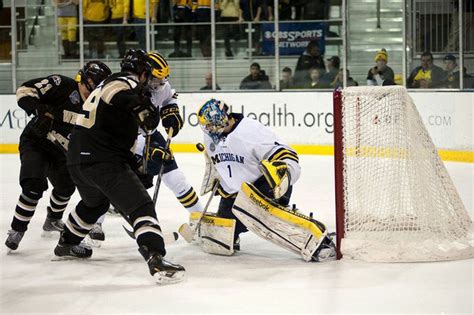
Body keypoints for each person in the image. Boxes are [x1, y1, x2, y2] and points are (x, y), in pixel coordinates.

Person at [56, 49, 185, 284]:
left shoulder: (115, 83)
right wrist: (139, 107)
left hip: (78, 158)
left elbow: (159, 102)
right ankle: (155, 257)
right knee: (141, 205)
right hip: (102, 159)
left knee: (94, 204)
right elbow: (117, 93)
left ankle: (66, 242)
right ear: (142, 73)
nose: (155, 83)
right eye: (151, 76)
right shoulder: (124, 81)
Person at [195, 99, 335, 261]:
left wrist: (284, 173)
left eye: (211, 125)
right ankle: (239, 228)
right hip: (236, 194)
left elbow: (286, 154)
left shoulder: (250, 130)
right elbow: (216, 161)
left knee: (265, 219)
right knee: (221, 239)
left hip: (265, 186)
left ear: (221, 118)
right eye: (206, 126)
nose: (208, 129)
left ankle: (318, 241)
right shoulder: (212, 136)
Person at [4, 61, 112, 251]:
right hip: (36, 143)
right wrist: (39, 111)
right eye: (91, 88)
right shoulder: (60, 84)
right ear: (84, 80)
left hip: (63, 152)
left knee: (66, 187)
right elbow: (25, 91)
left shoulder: (97, 107)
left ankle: (53, 219)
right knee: (33, 186)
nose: (92, 95)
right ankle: (16, 230)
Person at [135, 51, 204, 214]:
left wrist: (170, 111)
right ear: (145, 75)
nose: (162, 83)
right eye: (158, 78)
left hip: (149, 134)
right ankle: (96, 223)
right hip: (124, 139)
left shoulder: (161, 87)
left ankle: (199, 216)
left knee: (175, 177)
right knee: (113, 179)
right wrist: (146, 150)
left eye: (164, 78)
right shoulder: (126, 90)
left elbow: (168, 99)